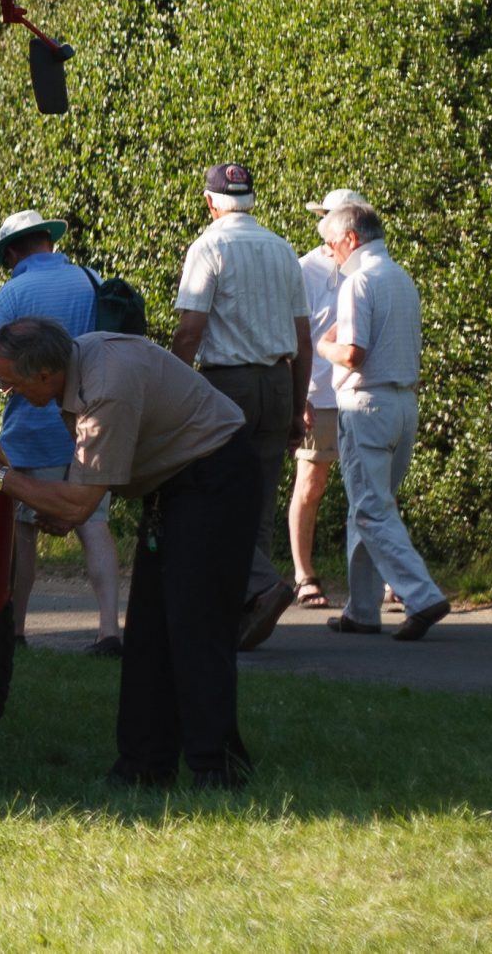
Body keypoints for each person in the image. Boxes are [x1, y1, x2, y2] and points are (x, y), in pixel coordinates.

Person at [0, 319, 256, 789]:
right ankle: (143, 765)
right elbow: (85, 492)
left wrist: (1, 479)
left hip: (216, 479)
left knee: (194, 625)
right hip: (179, 483)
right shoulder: (80, 366)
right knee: (148, 629)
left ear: (44, 375)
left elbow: (80, 502)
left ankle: (216, 769)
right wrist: (66, 510)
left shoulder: (105, 389)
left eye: (12, 384)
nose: (9, 394)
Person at [169, 162, 308, 650]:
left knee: (211, 494)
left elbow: (190, 329)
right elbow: (302, 336)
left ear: (210, 202)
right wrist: (296, 406)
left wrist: (170, 387)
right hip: (279, 381)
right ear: (251, 200)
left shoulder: (208, 246)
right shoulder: (282, 248)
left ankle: (261, 587)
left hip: (228, 383)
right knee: (260, 497)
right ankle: (247, 608)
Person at [0, 209, 122, 655]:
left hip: (32, 430)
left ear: (14, 252)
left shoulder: (12, 293)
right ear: (49, 243)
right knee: (94, 525)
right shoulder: (91, 279)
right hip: (90, 422)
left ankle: (17, 629)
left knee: (23, 531)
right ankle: (108, 629)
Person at [316, 203, 450, 641]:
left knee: (371, 509)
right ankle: (362, 610)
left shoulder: (358, 281)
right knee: (370, 508)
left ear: (351, 239)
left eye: (332, 244)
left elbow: (353, 353)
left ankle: (422, 594)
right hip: (403, 403)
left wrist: (321, 348)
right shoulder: (400, 277)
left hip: (366, 404)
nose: (331, 253)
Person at [288, 186, 363, 608]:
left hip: (360, 391)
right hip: (318, 393)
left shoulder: (368, 269)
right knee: (311, 484)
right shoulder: (304, 270)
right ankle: (303, 574)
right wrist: (299, 397)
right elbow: (294, 338)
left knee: (370, 489)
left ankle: (379, 577)